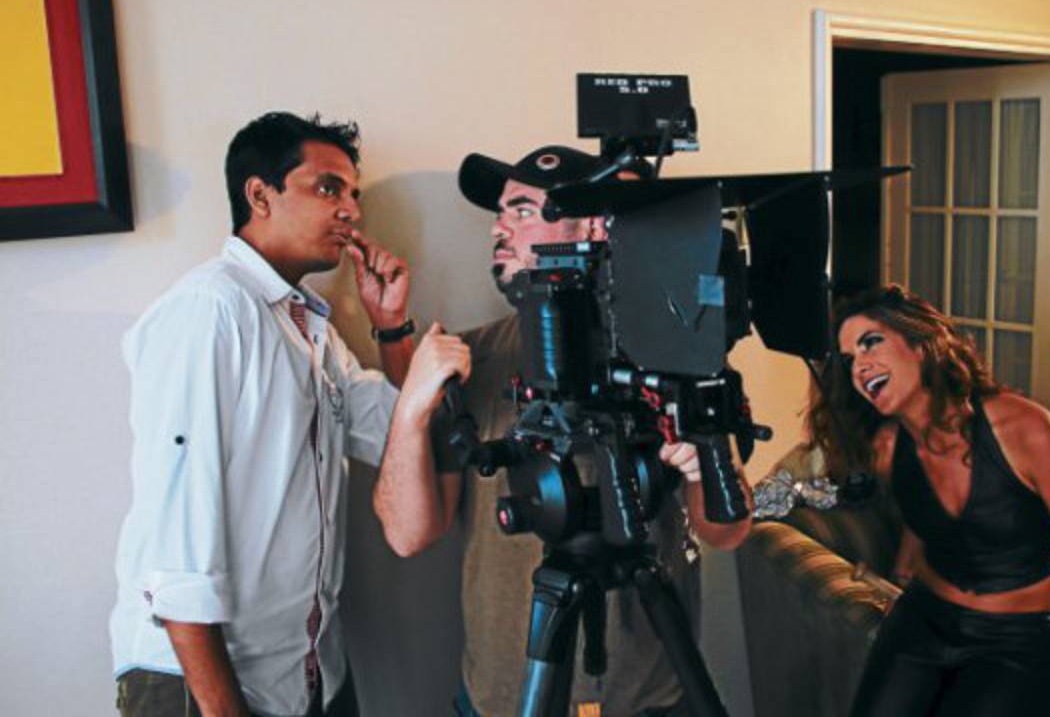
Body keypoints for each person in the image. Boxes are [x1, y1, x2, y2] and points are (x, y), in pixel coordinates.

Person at [109, 112, 469, 717]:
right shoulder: (211, 311)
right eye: (329, 189)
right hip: (204, 683)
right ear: (259, 195)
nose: (352, 211)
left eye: (354, 194)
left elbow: (401, 437)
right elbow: (176, 547)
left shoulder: (309, 330)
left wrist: (390, 327)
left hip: (307, 675)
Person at [372, 145, 753, 716]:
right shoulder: (470, 358)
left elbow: (726, 532)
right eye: (501, 213)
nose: (499, 228)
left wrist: (706, 462)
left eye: (524, 211)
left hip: (642, 695)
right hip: (503, 694)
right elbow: (408, 535)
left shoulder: (673, 354)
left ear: (593, 227)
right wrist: (410, 409)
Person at [807, 284, 1050, 717]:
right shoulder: (888, 448)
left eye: (870, 342)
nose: (860, 366)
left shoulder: (1025, 429)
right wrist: (902, 577)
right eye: (849, 359)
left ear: (920, 345)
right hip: (924, 621)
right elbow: (922, 513)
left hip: (1018, 640)